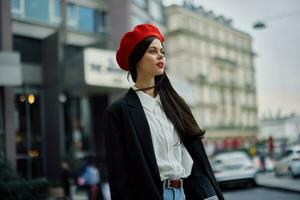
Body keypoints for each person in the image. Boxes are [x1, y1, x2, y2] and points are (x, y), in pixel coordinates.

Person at [103, 24, 224, 200]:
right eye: (152, 51)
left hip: (187, 193)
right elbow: (118, 178)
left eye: (162, 51)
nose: (160, 55)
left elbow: (196, 160)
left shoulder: (176, 104)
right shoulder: (119, 112)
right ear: (136, 58)